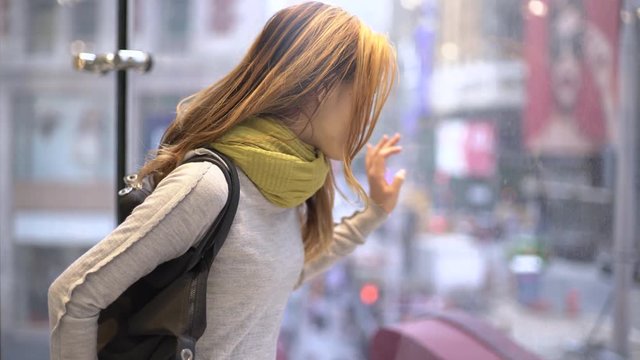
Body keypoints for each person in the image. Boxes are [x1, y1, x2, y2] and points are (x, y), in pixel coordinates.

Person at [47, 2, 405, 359]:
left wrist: (374, 212)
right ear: (322, 87)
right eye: (362, 98)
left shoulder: (288, 187)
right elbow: (73, 296)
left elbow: (282, 274)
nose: (366, 118)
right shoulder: (208, 186)